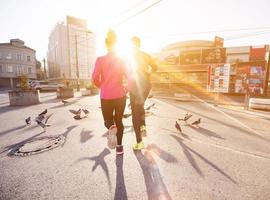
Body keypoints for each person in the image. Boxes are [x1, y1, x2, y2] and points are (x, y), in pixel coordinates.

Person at [92, 30, 130, 155]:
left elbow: (94, 78)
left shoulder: (100, 60)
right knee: (119, 120)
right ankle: (119, 147)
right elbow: (131, 76)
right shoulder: (121, 60)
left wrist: (101, 86)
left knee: (108, 122)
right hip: (120, 95)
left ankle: (111, 129)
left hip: (106, 95)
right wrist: (126, 88)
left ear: (106, 45)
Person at [129, 36, 158, 150]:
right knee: (140, 105)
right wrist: (148, 74)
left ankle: (139, 142)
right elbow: (155, 67)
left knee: (135, 112)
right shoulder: (146, 55)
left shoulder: (129, 56)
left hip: (136, 85)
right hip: (146, 84)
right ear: (139, 44)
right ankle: (142, 126)